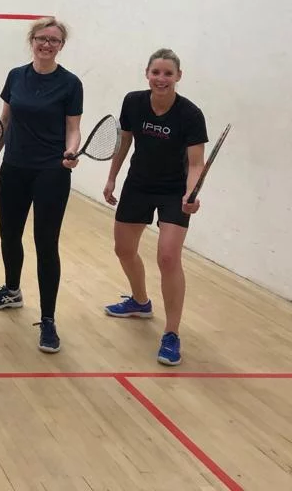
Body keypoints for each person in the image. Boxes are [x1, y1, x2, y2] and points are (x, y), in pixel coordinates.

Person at [0, 17, 82, 355]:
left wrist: (71, 150)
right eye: (42, 38)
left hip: (51, 171)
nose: (47, 44)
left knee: (45, 242)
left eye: (54, 40)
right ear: (32, 41)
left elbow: (73, 128)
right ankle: (12, 290)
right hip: (15, 168)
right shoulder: (16, 76)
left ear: (61, 46)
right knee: (9, 234)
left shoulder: (70, 83)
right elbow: (4, 122)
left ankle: (49, 319)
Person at [102, 48, 208, 366]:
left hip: (174, 192)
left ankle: (172, 334)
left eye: (168, 73)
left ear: (178, 76)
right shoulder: (134, 102)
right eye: (156, 72)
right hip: (138, 185)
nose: (161, 78)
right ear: (147, 73)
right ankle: (139, 301)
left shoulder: (190, 114)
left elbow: (196, 163)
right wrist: (111, 178)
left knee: (168, 257)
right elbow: (124, 142)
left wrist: (191, 194)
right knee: (123, 250)